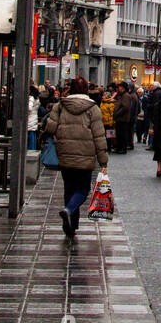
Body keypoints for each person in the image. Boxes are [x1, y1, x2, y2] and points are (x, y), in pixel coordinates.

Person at [45, 77, 108, 241]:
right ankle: (69, 211)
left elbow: (50, 127)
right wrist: (103, 161)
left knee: (69, 188)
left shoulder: (61, 106)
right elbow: (99, 136)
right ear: (86, 89)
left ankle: (71, 226)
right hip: (86, 155)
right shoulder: (93, 109)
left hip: (64, 152)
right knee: (83, 189)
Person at [112, 81, 136, 155]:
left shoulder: (126, 96)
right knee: (119, 134)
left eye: (119, 87)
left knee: (122, 134)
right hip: (120, 118)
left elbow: (125, 107)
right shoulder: (122, 95)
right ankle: (119, 147)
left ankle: (122, 148)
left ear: (122, 88)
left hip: (123, 118)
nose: (118, 88)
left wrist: (117, 113)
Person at [26, 85, 41, 150]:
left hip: (30, 119)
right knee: (33, 134)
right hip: (34, 118)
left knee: (30, 135)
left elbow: (29, 108)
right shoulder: (37, 98)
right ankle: (33, 148)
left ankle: (31, 149)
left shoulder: (31, 98)